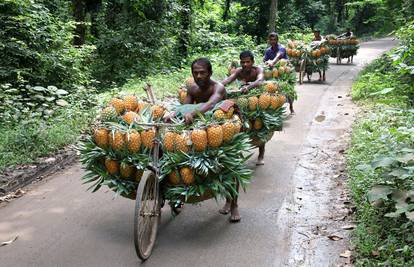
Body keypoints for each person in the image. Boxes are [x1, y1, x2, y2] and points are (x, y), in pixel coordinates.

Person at [221, 50, 266, 168]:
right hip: (242, 100)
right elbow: (228, 80)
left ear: (252, 62)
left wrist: (249, 86)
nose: (245, 64)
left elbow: (260, 80)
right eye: (243, 62)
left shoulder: (258, 70)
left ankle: (261, 154)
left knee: (259, 125)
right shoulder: (238, 72)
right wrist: (217, 85)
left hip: (256, 100)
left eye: (248, 62)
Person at [263, 32, 295, 114]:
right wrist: (266, 63)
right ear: (269, 41)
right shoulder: (268, 51)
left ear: (277, 40)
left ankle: (291, 107)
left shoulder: (282, 48)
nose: (273, 41)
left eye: (274, 40)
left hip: (284, 71)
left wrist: (272, 62)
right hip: (273, 71)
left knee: (288, 88)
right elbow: (264, 60)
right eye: (271, 40)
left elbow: (279, 56)